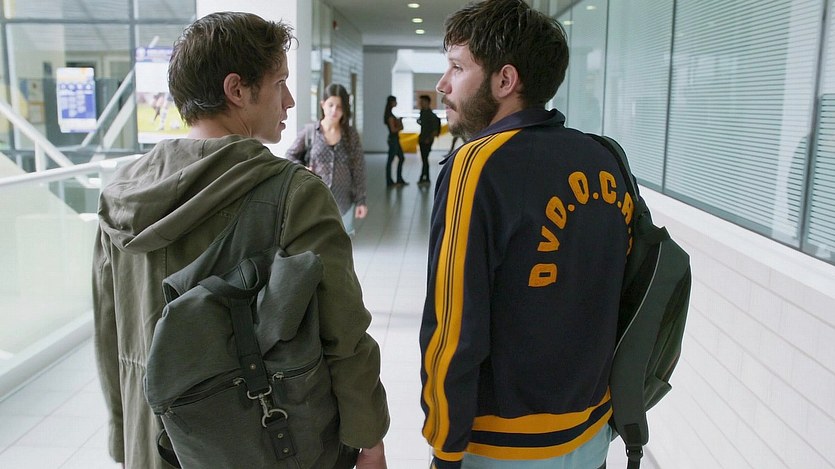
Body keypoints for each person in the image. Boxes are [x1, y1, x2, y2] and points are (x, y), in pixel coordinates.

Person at [93, 12, 389, 469]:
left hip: (153, 441)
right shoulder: (294, 194)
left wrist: (123, 435)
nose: (289, 100)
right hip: (263, 442)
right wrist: (368, 438)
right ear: (237, 89)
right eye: (279, 83)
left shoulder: (122, 194)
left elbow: (109, 330)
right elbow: (344, 332)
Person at [420, 1, 632, 468]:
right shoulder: (606, 158)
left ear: (505, 80)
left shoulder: (477, 165)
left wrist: (445, 447)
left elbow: (453, 324)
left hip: (504, 445)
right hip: (592, 433)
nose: (443, 84)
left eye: (457, 67)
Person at [286, 83, 368, 236]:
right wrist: (302, 168)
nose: (334, 110)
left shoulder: (351, 136)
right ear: (323, 104)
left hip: (344, 202)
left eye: (339, 106)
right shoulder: (310, 132)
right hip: (314, 200)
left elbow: (358, 169)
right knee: (315, 241)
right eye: (331, 105)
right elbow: (290, 155)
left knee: (342, 242)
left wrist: (361, 200)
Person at [416, 94, 441, 185]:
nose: (420, 103)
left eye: (422, 101)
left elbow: (434, 130)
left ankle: (424, 177)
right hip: (422, 139)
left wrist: (429, 139)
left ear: (427, 102)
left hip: (426, 140)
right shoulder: (423, 112)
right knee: (424, 159)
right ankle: (425, 177)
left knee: (425, 159)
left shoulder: (430, 115)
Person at [383, 95, 407, 186]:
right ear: (391, 102)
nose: (396, 103)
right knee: (391, 160)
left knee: (400, 158)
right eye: (395, 101)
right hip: (393, 140)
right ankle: (390, 181)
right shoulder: (390, 116)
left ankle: (398, 179)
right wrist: (400, 125)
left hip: (394, 139)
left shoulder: (389, 114)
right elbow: (393, 130)